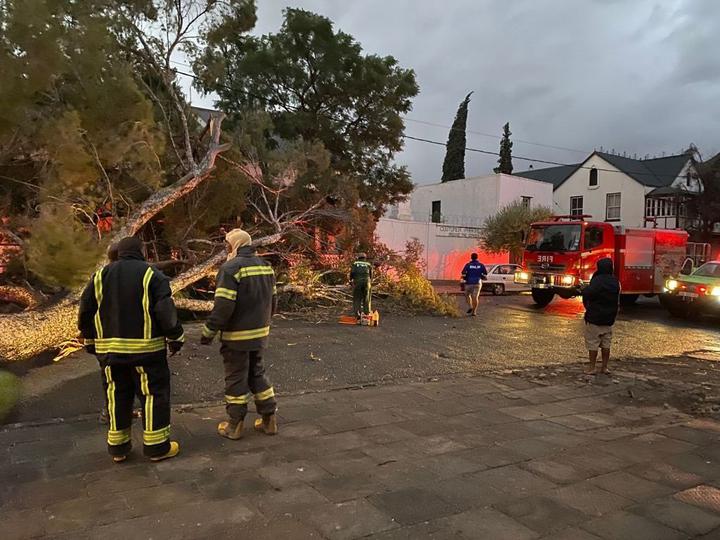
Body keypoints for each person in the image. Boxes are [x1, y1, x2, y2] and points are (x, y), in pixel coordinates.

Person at [78, 236, 185, 463]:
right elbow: (165, 311)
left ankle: (119, 449)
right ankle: (157, 448)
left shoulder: (100, 276)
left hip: (110, 353)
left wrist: (90, 341)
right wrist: (176, 337)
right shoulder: (152, 275)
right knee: (153, 396)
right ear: (142, 251)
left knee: (116, 396)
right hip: (147, 352)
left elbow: (86, 310)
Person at [201, 228, 278, 440]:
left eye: (227, 245)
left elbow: (224, 306)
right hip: (260, 335)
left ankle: (234, 425)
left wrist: (208, 331)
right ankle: (269, 420)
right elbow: (274, 303)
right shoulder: (266, 267)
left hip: (236, 338)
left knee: (236, 378)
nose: (226, 249)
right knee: (257, 374)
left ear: (235, 245)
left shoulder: (230, 269)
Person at [581, 257, 620, 375]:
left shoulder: (597, 281)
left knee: (593, 343)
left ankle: (592, 367)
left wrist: (584, 289)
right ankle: (604, 367)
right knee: (606, 344)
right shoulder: (615, 281)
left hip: (595, 317)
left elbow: (588, 293)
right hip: (609, 319)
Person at [350, 253, 373, 319]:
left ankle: (357, 314)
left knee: (357, 298)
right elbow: (371, 275)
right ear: (365, 258)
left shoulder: (355, 263)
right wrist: (370, 282)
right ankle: (367, 313)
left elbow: (352, 273)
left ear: (358, 257)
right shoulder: (368, 264)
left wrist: (350, 280)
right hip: (367, 282)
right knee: (367, 298)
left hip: (357, 282)